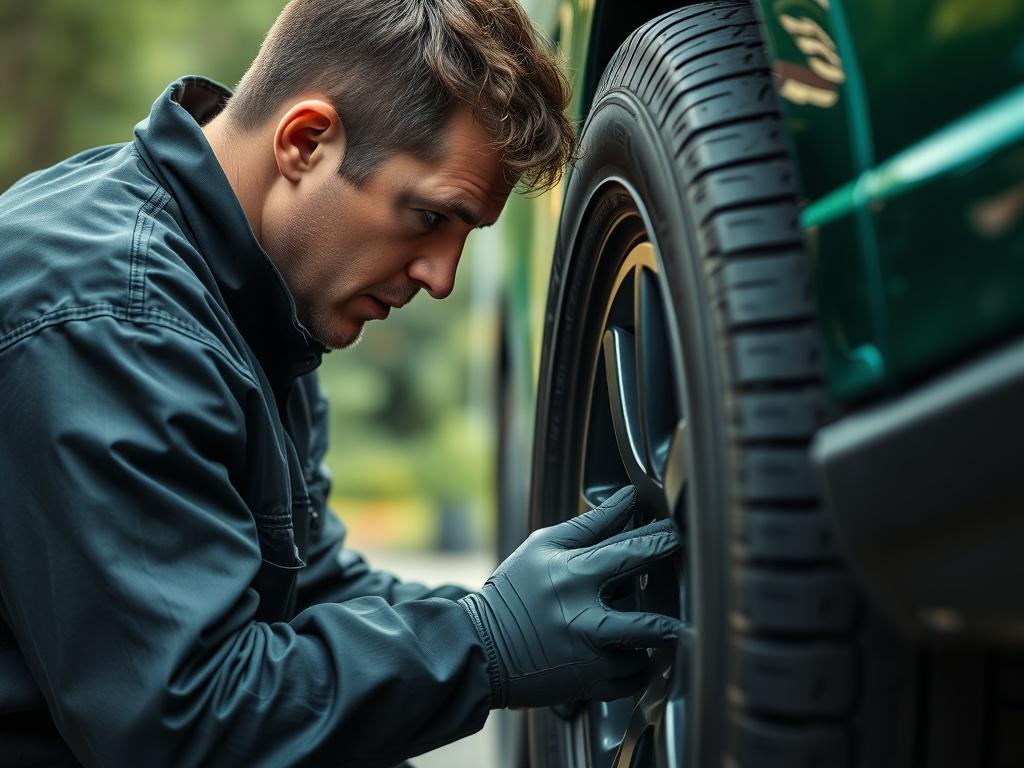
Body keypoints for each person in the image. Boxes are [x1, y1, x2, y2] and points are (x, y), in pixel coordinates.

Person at [0, 0, 681, 765]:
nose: (443, 278)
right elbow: (180, 720)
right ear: (306, 141)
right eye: (428, 218)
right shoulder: (115, 324)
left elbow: (309, 590)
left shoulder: (251, 301)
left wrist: (530, 621)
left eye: (464, 237)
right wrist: (485, 644)